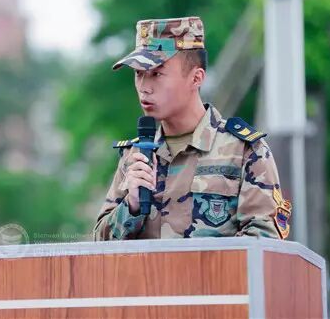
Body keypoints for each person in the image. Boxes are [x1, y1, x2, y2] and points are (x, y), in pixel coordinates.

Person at [94, 16, 292, 241]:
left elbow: (264, 242)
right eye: (139, 74)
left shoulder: (244, 151)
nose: (144, 88)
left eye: (156, 74)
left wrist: (195, 261)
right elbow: (99, 245)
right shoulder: (135, 157)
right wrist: (132, 207)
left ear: (196, 78)